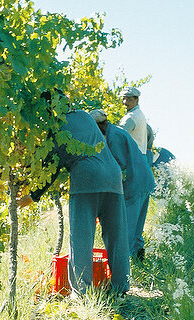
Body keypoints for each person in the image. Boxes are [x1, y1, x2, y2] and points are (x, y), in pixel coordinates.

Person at [21, 99, 130, 296]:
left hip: (86, 180)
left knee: (81, 238)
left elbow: (51, 167)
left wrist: (33, 196)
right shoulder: (84, 116)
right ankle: (121, 288)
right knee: (117, 236)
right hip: (113, 176)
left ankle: (82, 293)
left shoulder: (58, 129)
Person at [91, 109, 154, 268]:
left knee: (125, 230)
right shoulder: (116, 131)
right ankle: (140, 267)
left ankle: (120, 276)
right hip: (144, 180)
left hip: (135, 184)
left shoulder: (114, 137)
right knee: (136, 229)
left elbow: (118, 165)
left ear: (99, 125)